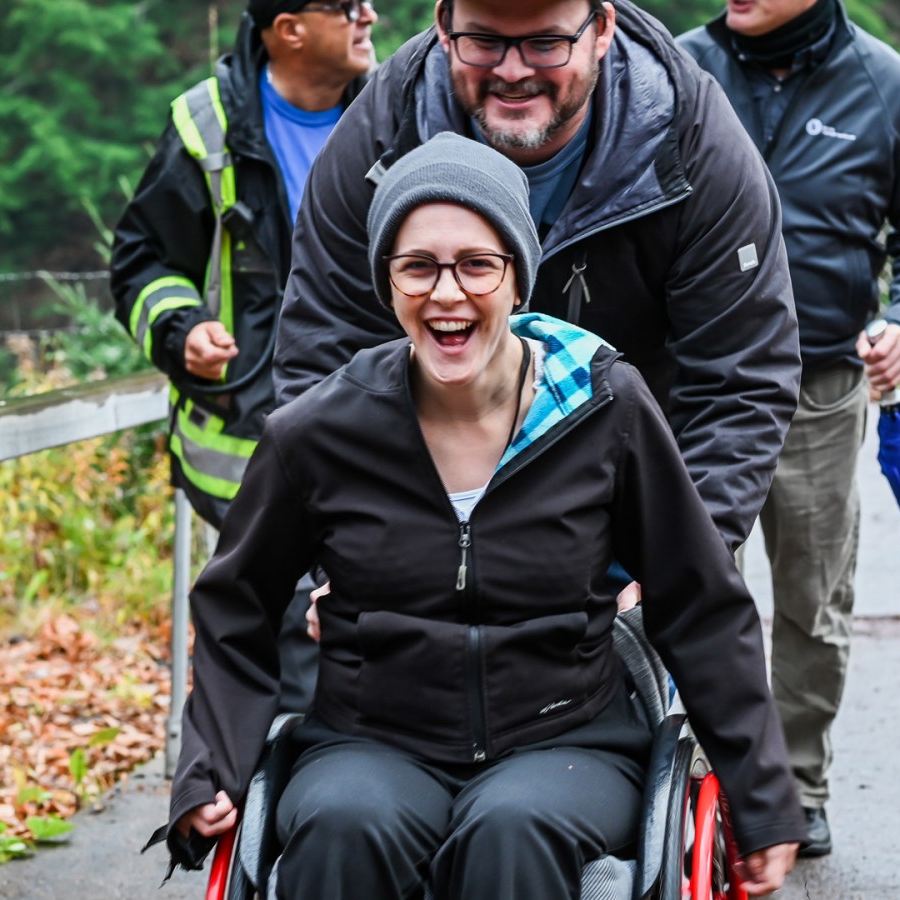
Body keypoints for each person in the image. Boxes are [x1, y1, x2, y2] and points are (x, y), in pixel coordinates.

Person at [155, 133, 803, 898]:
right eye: (418, 266)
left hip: (568, 738)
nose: (447, 292)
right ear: (388, 283)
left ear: (517, 278)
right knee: (342, 825)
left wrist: (761, 798)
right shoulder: (320, 431)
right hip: (371, 738)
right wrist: (210, 768)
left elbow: (699, 599)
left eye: (476, 265)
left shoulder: (602, 408)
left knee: (511, 829)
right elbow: (239, 604)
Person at [274, 0, 802, 555]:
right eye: (484, 40)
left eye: (546, 43)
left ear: (601, 30)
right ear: (443, 28)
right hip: (426, 516)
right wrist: (343, 549)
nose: (513, 71)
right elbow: (323, 354)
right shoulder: (377, 141)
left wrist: (681, 564)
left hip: (640, 504)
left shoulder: (695, 147)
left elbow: (740, 376)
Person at [678, 0, 900, 857]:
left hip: (821, 387)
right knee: (690, 587)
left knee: (812, 600)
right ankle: (694, 781)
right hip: (696, 384)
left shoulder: (885, 84)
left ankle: (797, 785)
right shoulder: (679, 71)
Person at [109, 0, 376, 709]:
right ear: (288, 29)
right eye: (348, 6)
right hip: (250, 441)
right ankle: (285, 798)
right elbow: (142, 263)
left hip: (381, 432)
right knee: (289, 642)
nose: (371, 16)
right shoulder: (207, 124)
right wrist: (183, 330)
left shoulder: (395, 112)